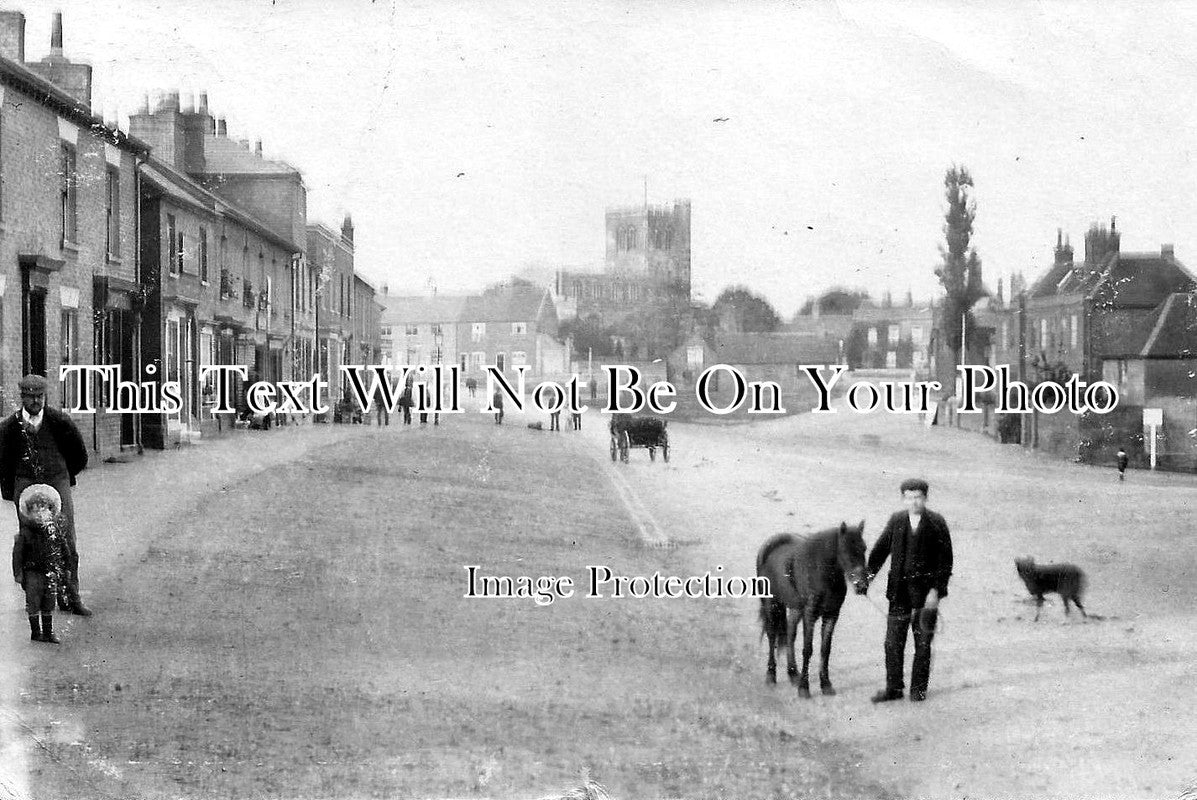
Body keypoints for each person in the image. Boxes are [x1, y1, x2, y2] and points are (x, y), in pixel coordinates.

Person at [0, 375, 91, 616]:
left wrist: (64, 477)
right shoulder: (10, 427)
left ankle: (72, 596)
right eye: (30, 397)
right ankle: (37, 600)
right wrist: (11, 491)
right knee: (31, 543)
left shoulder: (59, 422)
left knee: (65, 539)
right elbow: (3, 462)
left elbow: (79, 454)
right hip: (26, 487)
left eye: (39, 396)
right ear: (22, 398)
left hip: (56, 482)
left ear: (45, 397)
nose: (35, 401)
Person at [866, 478, 953, 703]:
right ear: (903, 499)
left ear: (925, 498)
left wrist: (936, 591)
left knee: (922, 642)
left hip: (927, 595)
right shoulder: (896, 521)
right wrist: (865, 579)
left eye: (918, 497)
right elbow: (879, 552)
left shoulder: (936, 522)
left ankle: (918, 690)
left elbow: (946, 561)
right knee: (892, 642)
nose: (914, 502)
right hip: (899, 592)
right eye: (909, 497)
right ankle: (893, 689)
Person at [12, 483, 71, 644]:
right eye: (35, 510)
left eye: (43, 509)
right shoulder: (25, 534)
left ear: (51, 510)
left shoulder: (54, 531)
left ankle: (48, 631)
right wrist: (18, 573)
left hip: (50, 572)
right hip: (32, 573)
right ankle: (35, 632)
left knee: (49, 601)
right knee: (33, 601)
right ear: (28, 512)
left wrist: (66, 568)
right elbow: (17, 555)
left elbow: (64, 550)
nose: (39, 514)